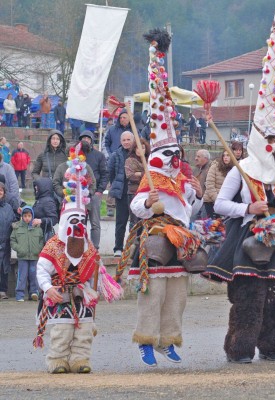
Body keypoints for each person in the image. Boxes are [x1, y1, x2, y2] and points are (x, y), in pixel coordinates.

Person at [204, 9, 275, 363]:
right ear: (254, 139)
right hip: (247, 235)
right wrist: (247, 208)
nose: (270, 143)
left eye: (273, 138)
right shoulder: (242, 168)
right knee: (249, 293)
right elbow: (219, 203)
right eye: (265, 137)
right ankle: (239, 347)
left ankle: (273, 345)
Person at [115, 28, 203, 367]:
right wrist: (150, 202)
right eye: (169, 155)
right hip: (153, 238)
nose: (173, 160)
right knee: (152, 295)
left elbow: (188, 211)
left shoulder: (181, 178)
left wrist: (193, 196)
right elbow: (137, 207)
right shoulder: (152, 178)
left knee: (177, 295)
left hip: (179, 239)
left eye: (175, 155)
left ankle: (168, 340)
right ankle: (145, 341)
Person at [34, 143, 117, 373]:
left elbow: (92, 272)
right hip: (60, 293)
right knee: (61, 331)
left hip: (82, 295)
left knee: (84, 331)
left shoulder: (88, 247)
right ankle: (57, 360)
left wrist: (93, 288)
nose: (77, 228)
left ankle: (80, 359)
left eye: (81, 223)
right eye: (73, 223)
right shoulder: (54, 246)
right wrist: (47, 287)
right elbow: (41, 269)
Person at [79, 131, 108, 250]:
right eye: (83, 138)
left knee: (95, 222)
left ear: (91, 140)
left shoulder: (99, 155)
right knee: (81, 222)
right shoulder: (77, 155)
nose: (86, 140)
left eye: (88, 138)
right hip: (80, 193)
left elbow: (105, 174)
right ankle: (82, 246)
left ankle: (95, 248)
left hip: (94, 193)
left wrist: (99, 190)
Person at [11, 206, 44, 302]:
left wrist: (38, 249)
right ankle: (20, 294)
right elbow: (12, 240)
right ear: (22, 216)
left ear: (32, 216)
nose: (27, 218)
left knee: (33, 276)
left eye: (29, 216)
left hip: (34, 257)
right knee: (22, 276)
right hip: (22, 257)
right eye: (25, 216)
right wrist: (19, 249)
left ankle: (34, 292)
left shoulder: (37, 228)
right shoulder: (17, 228)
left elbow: (41, 240)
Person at [108, 131, 133, 257]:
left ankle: (133, 248)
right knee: (120, 222)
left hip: (135, 193)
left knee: (134, 222)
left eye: (129, 140)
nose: (126, 142)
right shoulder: (115, 155)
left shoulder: (137, 154)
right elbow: (110, 172)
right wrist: (116, 185)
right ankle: (118, 248)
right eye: (124, 140)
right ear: (121, 141)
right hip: (121, 193)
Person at [124, 137, 150, 228]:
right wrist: (145, 175)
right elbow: (130, 176)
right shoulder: (130, 160)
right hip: (133, 192)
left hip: (147, 192)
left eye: (142, 147)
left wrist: (140, 173)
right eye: (138, 148)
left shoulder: (149, 161)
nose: (140, 150)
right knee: (134, 219)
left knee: (145, 219)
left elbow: (152, 175)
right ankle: (133, 240)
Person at [0, 182, 18, 299]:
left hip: (5, 243)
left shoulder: (8, 207)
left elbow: (13, 221)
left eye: (1, 191)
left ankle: (3, 290)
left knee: (4, 268)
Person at [203, 150, 233, 218]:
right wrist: (218, 200)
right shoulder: (214, 167)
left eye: (228, 155)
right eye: (224, 155)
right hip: (211, 201)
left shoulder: (234, 169)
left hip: (225, 203)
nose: (225, 157)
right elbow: (209, 185)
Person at [32, 177, 59, 241]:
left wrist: (41, 220)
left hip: (44, 234)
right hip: (38, 233)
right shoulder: (40, 199)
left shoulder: (48, 201)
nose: (35, 187)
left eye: (37, 186)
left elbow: (54, 219)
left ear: (43, 187)